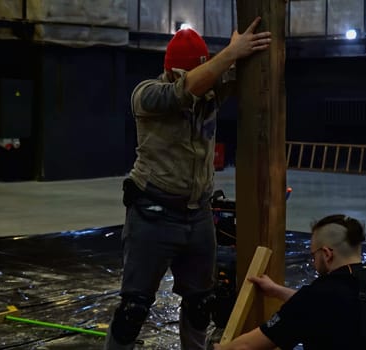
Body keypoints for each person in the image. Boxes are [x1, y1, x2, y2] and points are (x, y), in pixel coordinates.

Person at [103, 17, 272, 350]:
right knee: (133, 310)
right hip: (153, 214)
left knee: (200, 304)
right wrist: (230, 53)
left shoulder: (209, 92)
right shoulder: (148, 95)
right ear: (171, 71)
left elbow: (234, 76)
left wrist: (240, 54)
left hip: (197, 216)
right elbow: (184, 91)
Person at [214, 214, 366, 350]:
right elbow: (338, 307)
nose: (313, 261)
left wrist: (221, 348)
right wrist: (276, 290)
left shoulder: (318, 295)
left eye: (313, 255)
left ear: (326, 253)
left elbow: (247, 346)